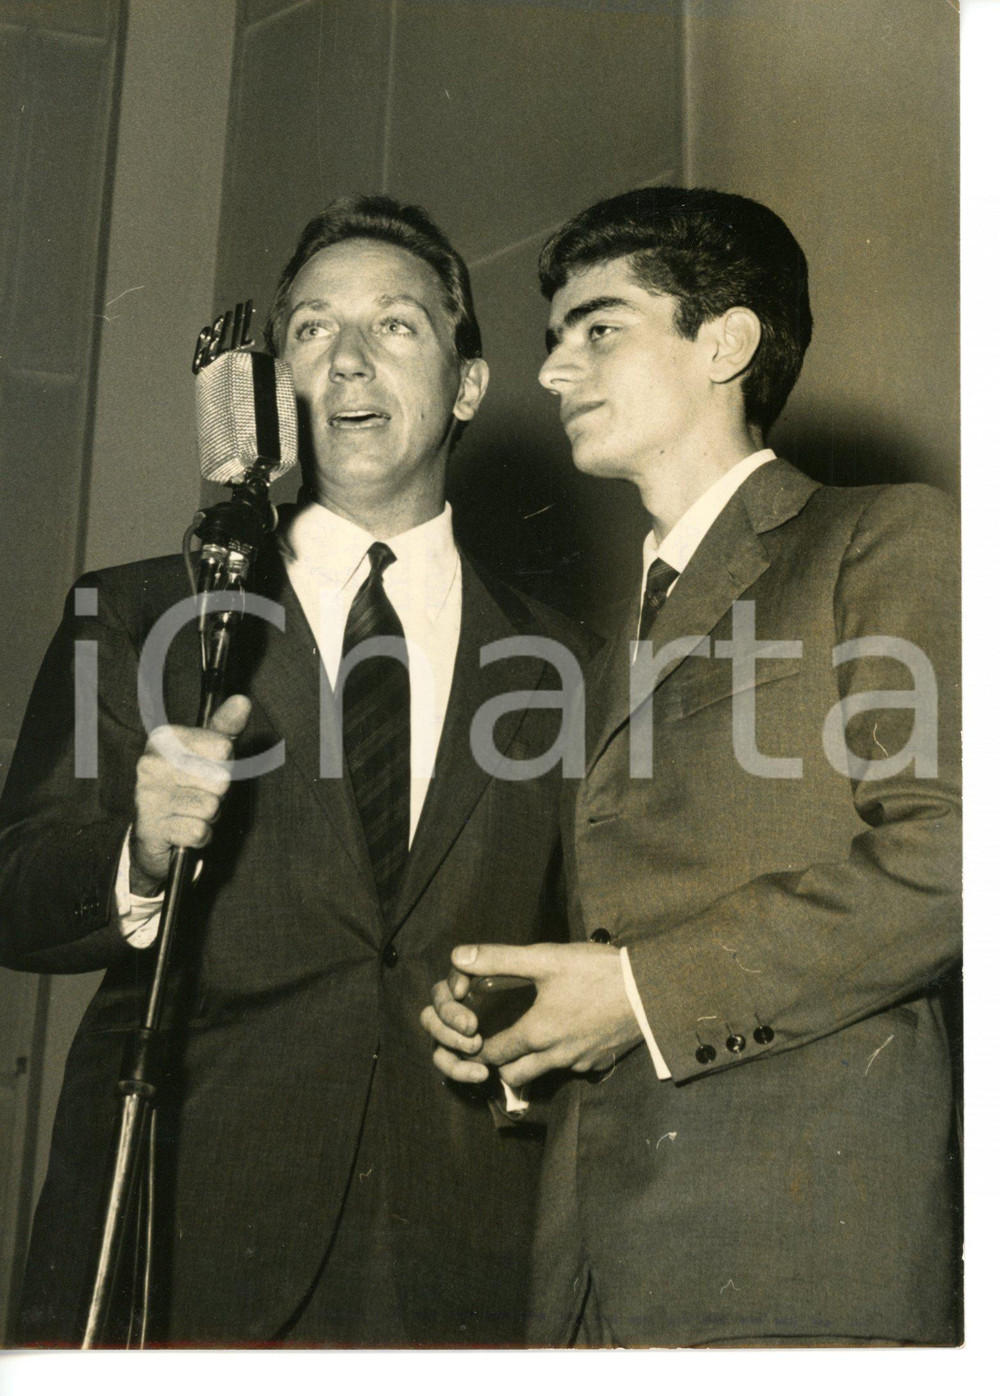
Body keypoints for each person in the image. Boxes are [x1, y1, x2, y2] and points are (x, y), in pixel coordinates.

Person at [0, 195, 589, 1346]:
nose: (351, 359)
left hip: (463, 1251)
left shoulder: (567, 661)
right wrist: (142, 850)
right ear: (275, 388)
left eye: (398, 327)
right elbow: (15, 884)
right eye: (314, 330)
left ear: (468, 384)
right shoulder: (137, 612)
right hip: (189, 1235)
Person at [422, 186, 961, 1347]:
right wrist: (526, 1024)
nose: (556, 372)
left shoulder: (880, 536)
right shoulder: (614, 638)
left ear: (726, 342)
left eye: (598, 328)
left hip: (799, 1258)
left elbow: (959, 852)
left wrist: (636, 995)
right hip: (594, 1279)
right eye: (554, 340)